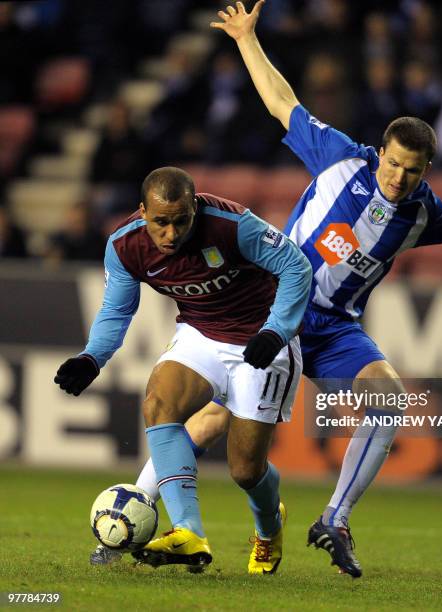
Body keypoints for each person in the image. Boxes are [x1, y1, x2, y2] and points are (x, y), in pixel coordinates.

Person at [99, 0, 442, 579]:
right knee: (209, 424)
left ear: (426, 169)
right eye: (392, 164)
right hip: (272, 309)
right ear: (380, 151)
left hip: (335, 330)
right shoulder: (339, 158)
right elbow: (283, 102)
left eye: (412, 171)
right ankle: (134, 515)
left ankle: (333, 518)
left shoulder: (421, 211)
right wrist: (245, 40)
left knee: (389, 402)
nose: (397, 178)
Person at [54, 166, 312, 575]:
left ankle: (268, 529)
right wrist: (92, 357)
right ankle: (188, 531)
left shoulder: (234, 226)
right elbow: (117, 309)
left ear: (195, 207)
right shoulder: (125, 245)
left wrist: (277, 330)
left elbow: (296, 267)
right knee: (159, 402)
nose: (171, 234)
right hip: (201, 335)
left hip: (260, 342)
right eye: (161, 222)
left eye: (180, 221)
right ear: (142, 213)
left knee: (246, 471)